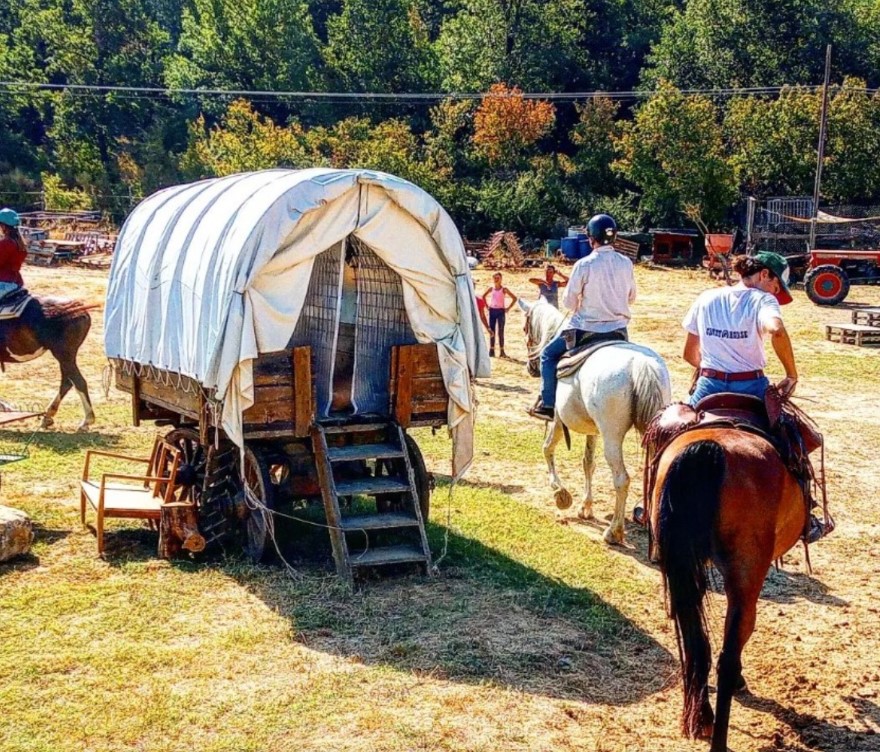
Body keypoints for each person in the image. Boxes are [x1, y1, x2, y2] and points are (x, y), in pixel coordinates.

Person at [531, 214, 635, 420]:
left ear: (591, 238)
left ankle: (548, 404)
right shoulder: (626, 263)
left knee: (548, 356)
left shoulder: (584, 264)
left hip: (585, 329)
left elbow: (569, 302)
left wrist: (580, 305)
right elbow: (631, 298)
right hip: (619, 331)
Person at [682, 252, 797, 406]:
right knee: (790, 427)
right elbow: (777, 330)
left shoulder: (705, 298)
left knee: (674, 423)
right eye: (775, 288)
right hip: (752, 387)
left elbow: (689, 354)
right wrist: (791, 375)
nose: (774, 294)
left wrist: (714, 370)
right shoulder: (763, 299)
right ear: (764, 274)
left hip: (709, 386)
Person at [482, 272, 517, 357]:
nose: (496, 279)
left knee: (501, 331)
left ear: (501, 279)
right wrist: (486, 306)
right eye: (495, 278)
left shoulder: (504, 289)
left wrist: (508, 308)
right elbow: (483, 296)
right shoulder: (491, 288)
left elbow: (514, 298)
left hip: (501, 311)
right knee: (491, 331)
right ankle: (492, 350)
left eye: (498, 278)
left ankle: (502, 351)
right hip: (492, 311)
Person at [0, 208, 27, 299]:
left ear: (4, 226)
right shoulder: (20, 244)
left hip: (3, 284)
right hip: (16, 282)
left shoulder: (5, 244)